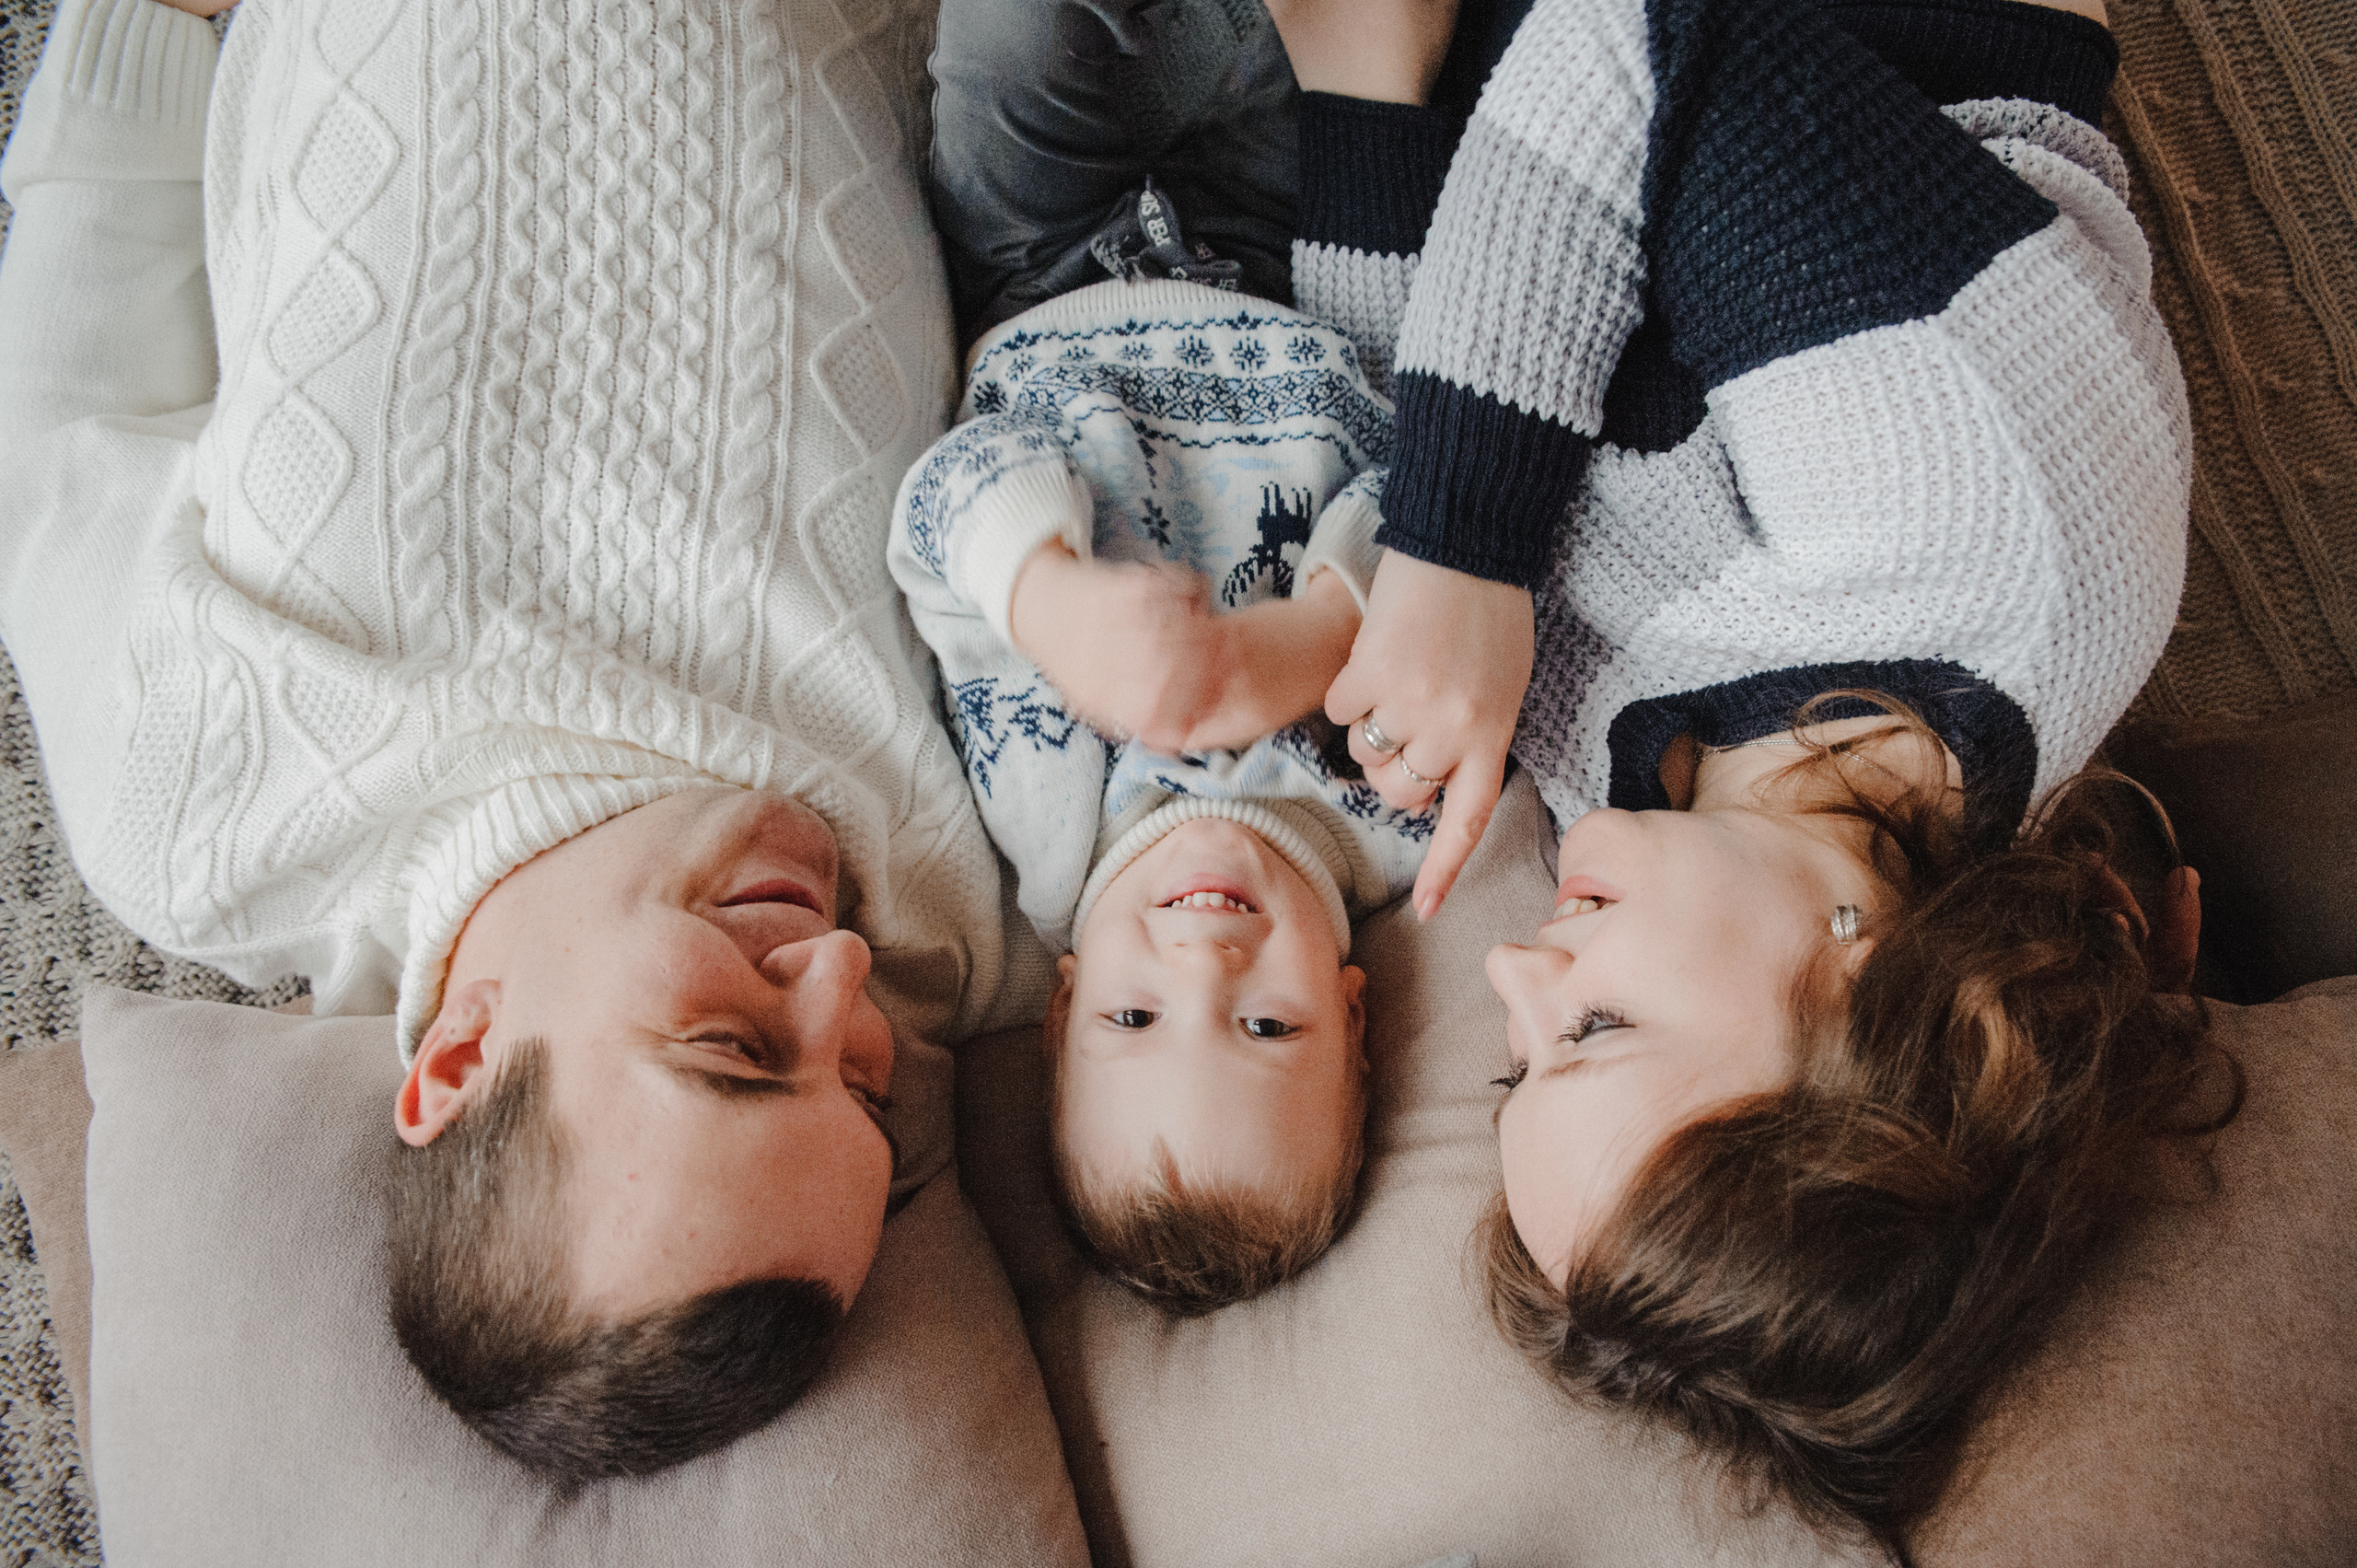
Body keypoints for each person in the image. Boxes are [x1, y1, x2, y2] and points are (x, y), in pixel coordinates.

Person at [0, 0, 1006, 1480]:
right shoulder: (953, 904)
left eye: (730, 1046)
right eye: (861, 1087)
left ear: (461, 1053)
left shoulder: (206, 819)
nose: (842, 980)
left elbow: (80, 410)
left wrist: (149, 29)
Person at [1266, 0, 2222, 1546]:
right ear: (1862, 1007)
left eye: (1517, 1057)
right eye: (1594, 1025)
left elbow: (1436, 385)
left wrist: (1360, 95)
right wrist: (1458, 547)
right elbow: (1650, 44)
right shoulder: (1994, 532)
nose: (1512, 964)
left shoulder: (1655, 808)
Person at [892, 0, 1516, 1309]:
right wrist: (1316, 642)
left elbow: (945, 506)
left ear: (1060, 1010)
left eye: (1133, 1021)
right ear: (1351, 1016)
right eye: (1267, 1028)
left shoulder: (1041, 827)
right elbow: (1449, 506)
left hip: (1040, 276)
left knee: (1017, 42)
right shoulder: (1392, 819)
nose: (1204, 964)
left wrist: (1047, 601)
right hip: (1303, 273)